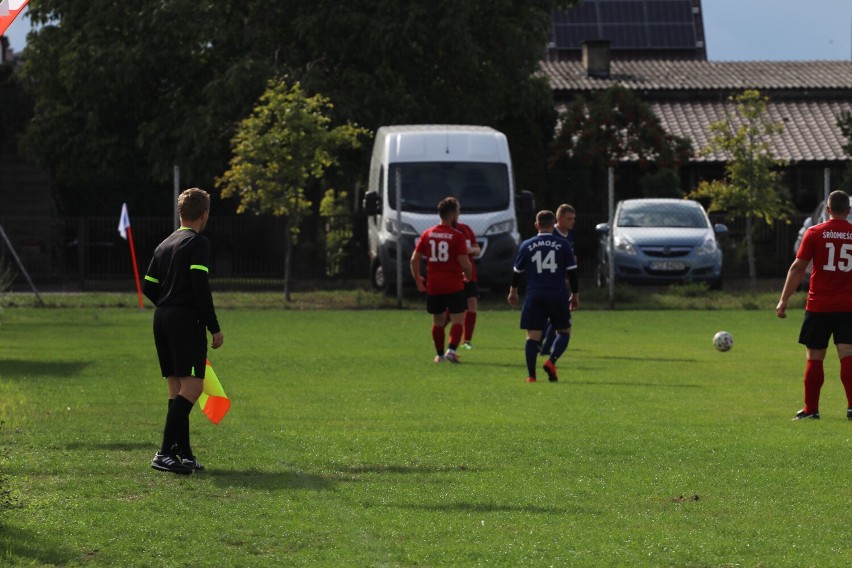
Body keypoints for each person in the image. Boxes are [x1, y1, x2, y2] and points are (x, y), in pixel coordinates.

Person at [142, 188, 224, 474]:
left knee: (177, 387)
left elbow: (148, 286)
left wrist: (168, 303)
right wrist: (214, 326)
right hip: (184, 320)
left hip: (162, 318)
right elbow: (200, 286)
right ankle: (164, 453)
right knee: (194, 386)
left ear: (181, 214)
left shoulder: (165, 243)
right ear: (204, 215)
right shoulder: (197, 243)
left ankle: (183, 453)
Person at [776, 189, 852, 420]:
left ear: (827, 209)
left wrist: (784, 300)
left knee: (815, 356)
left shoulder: (814, 232)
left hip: (819, 305)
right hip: (849, 306)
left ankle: (811, 410)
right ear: (848, 211)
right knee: (848, 354)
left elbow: (798, 268)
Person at [508, 210, 579, 383]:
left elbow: (517, 272)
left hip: (535, 294)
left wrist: (513, 291)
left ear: (536, 225)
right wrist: (575, 294)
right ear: (554, 223)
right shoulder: (563, 245)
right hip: (557, 294)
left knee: (532, 336)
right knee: (563, 331)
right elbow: (573, 273)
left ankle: (531, 376)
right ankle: (551, 361)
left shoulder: (527, 244)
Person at [411, 197, 472, 363]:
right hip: (454, 284)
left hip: (435, 285)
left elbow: (414, 259)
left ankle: (439, 355)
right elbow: (465, 263)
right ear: (452, 214)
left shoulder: (428, 233)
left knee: (438, 321)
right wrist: (468, 274)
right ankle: (451, 350)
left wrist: (418, 279)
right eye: (458, 212)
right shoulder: (457, 236)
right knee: (458, 319)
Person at [541, 203, 578, 356]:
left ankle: (543, 347)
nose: (573, 221)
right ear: (559, 219)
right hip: (548, 282)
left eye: (573, 218)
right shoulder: (551, 233)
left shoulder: (569, 235)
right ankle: (541, 345)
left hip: (561, 282)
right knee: (555, 317)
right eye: (570, 218)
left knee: (555, 317)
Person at [452, 204, 482, 349]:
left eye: (458, 210)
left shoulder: (465, 229)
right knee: (451, 308)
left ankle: (467, 340)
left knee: (472, 302)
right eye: (455, 210)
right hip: (452, 274)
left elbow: (477, 250)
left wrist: (469, 249)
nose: (457, 213)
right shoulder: (444, 231)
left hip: (469, 273)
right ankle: (440, 330)